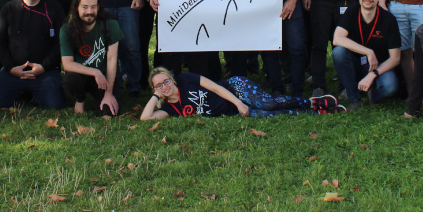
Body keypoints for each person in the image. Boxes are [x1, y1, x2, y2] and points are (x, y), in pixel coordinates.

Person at [0, 0, 65, 110]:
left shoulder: (54, 9)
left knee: (55, 105)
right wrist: (11, 68)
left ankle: (33, 92)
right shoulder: (8, 9)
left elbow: (60, 43)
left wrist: (43, 67)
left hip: (44, 72)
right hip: (14, 71)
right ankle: (25, 92)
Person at [140, 66, 337, 119]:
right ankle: (315, 112)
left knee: (268, 103)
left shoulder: (185, 79)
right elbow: (145, 118)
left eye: (166, 81)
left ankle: (312, 102)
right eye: (158, 86)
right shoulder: (171, 109)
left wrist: (239, 103)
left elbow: (216, 87)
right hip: (234, 111)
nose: (164, 86)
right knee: (268, 115)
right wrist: (156, 96)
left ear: (172, 79)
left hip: (235, 89)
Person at [331, 0, 400, 110]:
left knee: (390, 86)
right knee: (338, 52)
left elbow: (395, 58)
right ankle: (354, 99)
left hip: (378, 66)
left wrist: (373, 74)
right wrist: (368, 51)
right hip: (356, 63)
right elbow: (337, 38)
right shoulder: (352, 11)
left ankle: (372, 94)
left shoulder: (389, 19)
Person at [59, 0, 123, 115]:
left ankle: (105, 96)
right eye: (85, 7)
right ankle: (80, 99)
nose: (89, 11)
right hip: (81, 75)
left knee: (108, 112)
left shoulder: (111, 25)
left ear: (99, 8)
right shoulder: (67, 30)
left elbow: (112, 60)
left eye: (93, 7)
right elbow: (67, 64)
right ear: (76, 8)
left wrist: (109, 93)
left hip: (104, 78)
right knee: (70, 80)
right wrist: (95, 72)